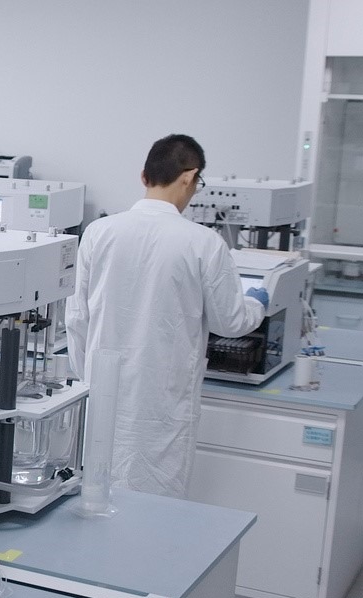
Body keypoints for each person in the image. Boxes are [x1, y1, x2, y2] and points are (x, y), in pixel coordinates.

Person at [65, 134, 268, 499]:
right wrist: (258, 303)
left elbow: (77, 318)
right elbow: (230, 322)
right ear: (189, 178)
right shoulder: (204, 242)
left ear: (144, 177)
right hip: (163, 405)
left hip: (103, 395)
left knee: (98, 497)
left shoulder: (98, 232)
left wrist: (89, 380)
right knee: (156, 506)